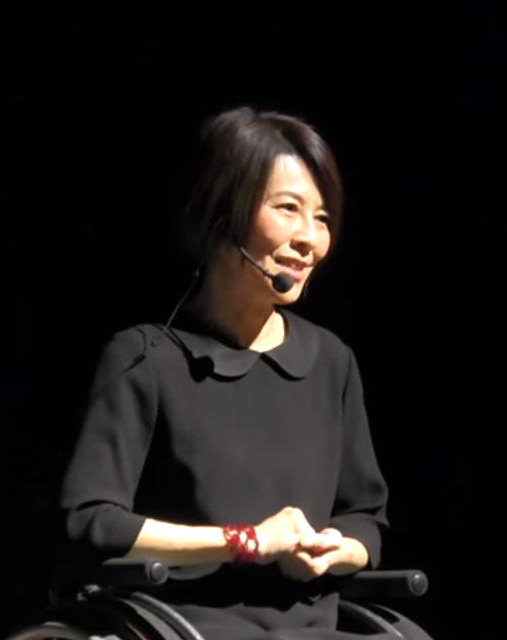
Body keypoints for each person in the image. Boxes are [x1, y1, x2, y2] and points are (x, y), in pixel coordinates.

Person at [60, 107, 411, 639]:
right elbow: (90, 520)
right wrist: (245, 541)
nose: (310, 238)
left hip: (312, 627)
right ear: (224, 213)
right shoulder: (145, 358)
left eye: (321, 218)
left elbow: (366, 518)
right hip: (188, 625)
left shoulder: (332, 361)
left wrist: (338, 549)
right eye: (288, 209)